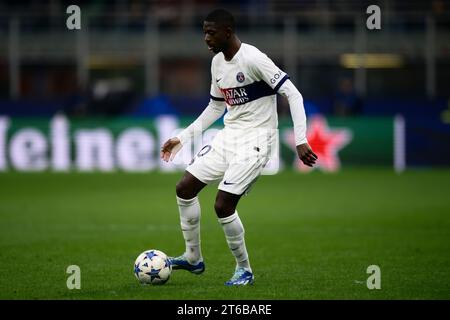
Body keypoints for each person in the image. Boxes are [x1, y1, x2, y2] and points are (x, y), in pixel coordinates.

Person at [160, 9, 317, 286]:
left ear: (228, 32)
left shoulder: (254, 59)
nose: (206, 38)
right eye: (204, 32)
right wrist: (183, 137)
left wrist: (301, 139)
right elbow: (215, 107)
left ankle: (244, 269)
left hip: (257, 139)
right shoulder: (217, 63)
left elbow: (293, 93)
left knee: (223, 204)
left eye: (211, 32)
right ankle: (193, 258)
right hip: (229, 136)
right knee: (184, 188)